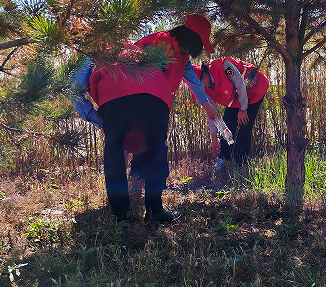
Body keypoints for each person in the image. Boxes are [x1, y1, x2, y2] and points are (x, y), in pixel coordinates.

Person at [72, 14, 220, 222]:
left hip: (114, 94)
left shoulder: (102, 50)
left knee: (114, 152)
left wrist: (100, 120)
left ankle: (120, 215)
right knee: (156, 148)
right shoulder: (156, 42)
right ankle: (154, 211)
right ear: (191, 38)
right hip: (153, 92)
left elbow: (74, 89)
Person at [194, 57, 270, 170]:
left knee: (245, 125)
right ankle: (224, 159)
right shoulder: (204, 89)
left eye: (198, 84)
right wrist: (214, 140)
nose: (199, 88)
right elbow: (213, 114)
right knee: (228, 123)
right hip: (236, 97)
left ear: (204, 75)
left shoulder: (224, 66)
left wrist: (243, 109)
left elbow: (240, 85)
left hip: (255, 89)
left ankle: (241, 163)